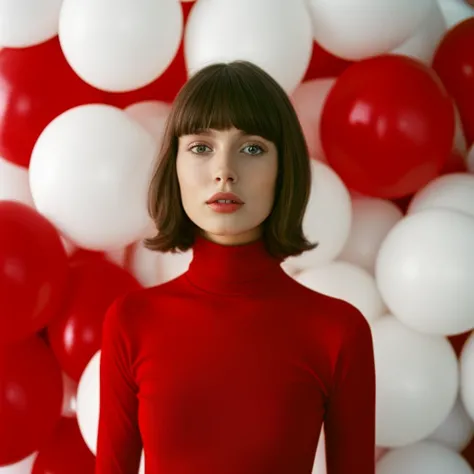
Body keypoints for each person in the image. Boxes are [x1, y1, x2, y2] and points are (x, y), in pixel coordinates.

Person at [95, 60, 376, 474]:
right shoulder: (131, 322)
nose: (224, 172)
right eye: (201, 147)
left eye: (252, 149)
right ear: (175, 165)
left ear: (284, 169)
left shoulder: (338, 332)